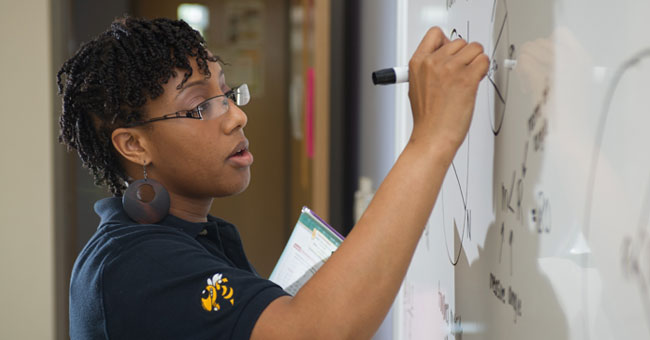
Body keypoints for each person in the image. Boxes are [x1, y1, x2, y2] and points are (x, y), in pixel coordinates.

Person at [58, 16, 488, 339]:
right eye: (200, 106)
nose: (237, 117)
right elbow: (313, 332)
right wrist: (432, 138)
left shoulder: (193, 235)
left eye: (226, 93)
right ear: (134, 145)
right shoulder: (134, 264)